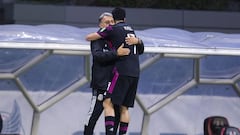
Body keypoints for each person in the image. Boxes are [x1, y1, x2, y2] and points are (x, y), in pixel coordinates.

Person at [86, 7, 144, 135]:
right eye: (106, 22)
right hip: (102, 83)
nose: (109, 24)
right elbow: (97, 55)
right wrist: (116, 53)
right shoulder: (103, 38)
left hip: (117, 78)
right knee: (95, 115)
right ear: (100, 24)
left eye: (111, 21)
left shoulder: (115, 33)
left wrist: (139, 41)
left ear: (115, 20)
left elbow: (139, 48)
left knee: (114, 107)